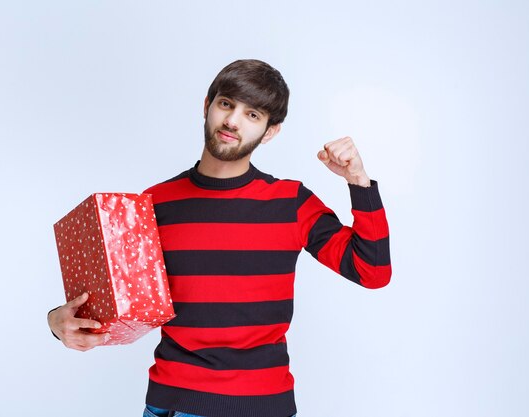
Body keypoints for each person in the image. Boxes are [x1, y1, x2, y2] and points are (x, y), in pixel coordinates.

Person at [48, 59, 391, 417]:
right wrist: (57, 322)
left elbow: (372, 272)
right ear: (207, 105)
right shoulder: (152, 203)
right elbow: (111, 310)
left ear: (270, 131)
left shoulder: (291, 203)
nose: (232, 121)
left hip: (260, 407)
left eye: (253, 114)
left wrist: (358, 181)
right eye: (226, 104)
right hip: (169, 403)